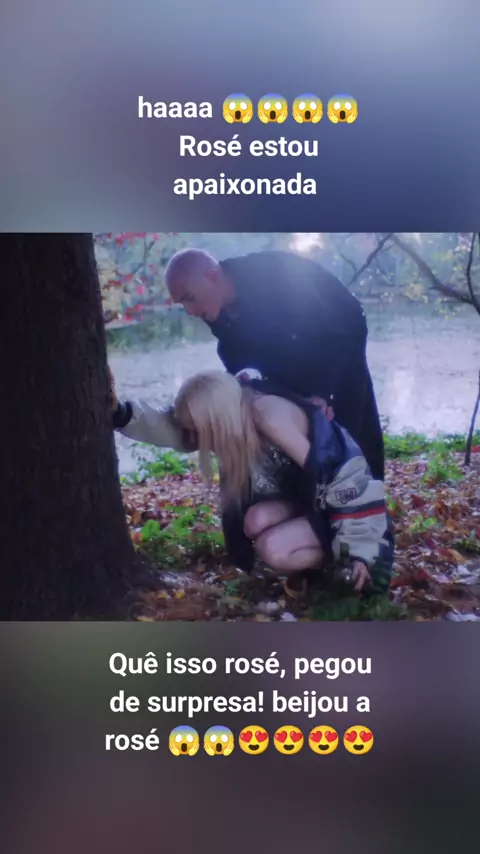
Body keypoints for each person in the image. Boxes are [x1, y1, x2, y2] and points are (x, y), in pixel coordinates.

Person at [110, 368, 394, 596]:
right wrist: (121, 413)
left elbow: (341, 477)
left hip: (358, 514)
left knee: (273, 550)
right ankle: (324, 559)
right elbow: (174, 429)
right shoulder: (234, 409)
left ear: (217, 423)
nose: (194, 440)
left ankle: (347, 567)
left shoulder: (270, 419)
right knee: (254, 521)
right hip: (311, 501)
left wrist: (360, 551)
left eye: (197, 431)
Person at [164, 246, 384, 483]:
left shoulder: (273, 273)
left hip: (341, 339)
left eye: (189, 298)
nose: (190, 311)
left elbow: (335, 330)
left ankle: (366, 493)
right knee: (296, 434)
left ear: (212, 276)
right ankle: (316, 491)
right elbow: (239, 354)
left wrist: (324, 393)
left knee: (349, 430)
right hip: (290, 356)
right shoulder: (217, 311)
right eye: (182, 304)